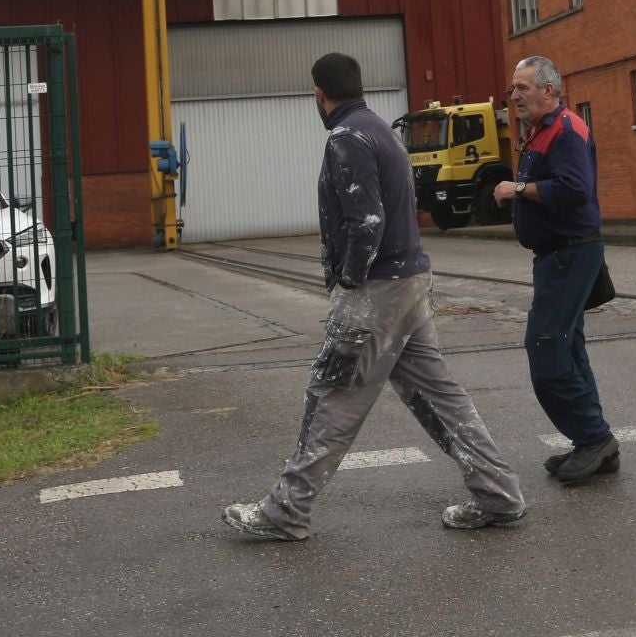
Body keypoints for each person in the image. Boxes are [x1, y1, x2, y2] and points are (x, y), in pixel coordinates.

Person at [222, 52, 525, 541]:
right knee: (437, 395)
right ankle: (498, 493)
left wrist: (348, 283)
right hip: (409, 282)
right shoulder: (381, 130)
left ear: (319, 95)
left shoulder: (347, 139)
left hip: (376, 290)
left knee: (332, 396)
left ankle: (286, 511)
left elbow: (366, 222)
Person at [492, 55, 619, 485]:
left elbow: (575, 189)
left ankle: (594, 438)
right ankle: (594, 442)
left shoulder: (565, 130)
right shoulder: (540, 132)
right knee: (568, 347)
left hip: (569, 253)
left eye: (522, 88)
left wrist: (519, 189)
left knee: (546, 349)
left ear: (549, 90)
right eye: (513, 89)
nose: (514, 97)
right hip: (555, 256)